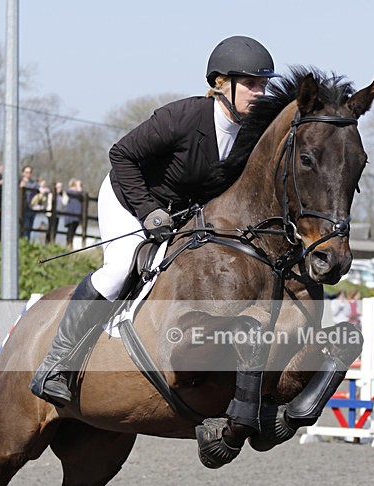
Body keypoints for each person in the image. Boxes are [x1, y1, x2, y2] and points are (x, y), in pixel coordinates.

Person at [30, 35, 279, 406]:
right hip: (129, 198)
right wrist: (148, 211)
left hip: (179, 212)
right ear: (220, 83)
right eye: (251, 84)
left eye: (263, 84)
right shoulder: (182, 118)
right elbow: (122, 156)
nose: (259, 92)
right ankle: (56, 364)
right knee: (121, 268)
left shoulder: (251, 135)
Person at [19, 166, 40, 240]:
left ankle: (27, 243)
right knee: (23, 227)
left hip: (31, 208)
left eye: (30, 172)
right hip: (22, 208)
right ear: (23, 173)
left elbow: (40, 190)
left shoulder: (34, 184)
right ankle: (22, 242)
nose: (28, 174)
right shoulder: (19, 182)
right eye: (26, 172)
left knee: (29, 228)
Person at [64, 178, 84, 245]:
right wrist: (78, 188)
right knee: (70, 230)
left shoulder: (78, 193)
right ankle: (68, 243)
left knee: (74, 230)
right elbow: (78, 193)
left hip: (77, 216)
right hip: (71, 215)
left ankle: (70, 244)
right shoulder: (70, 191)